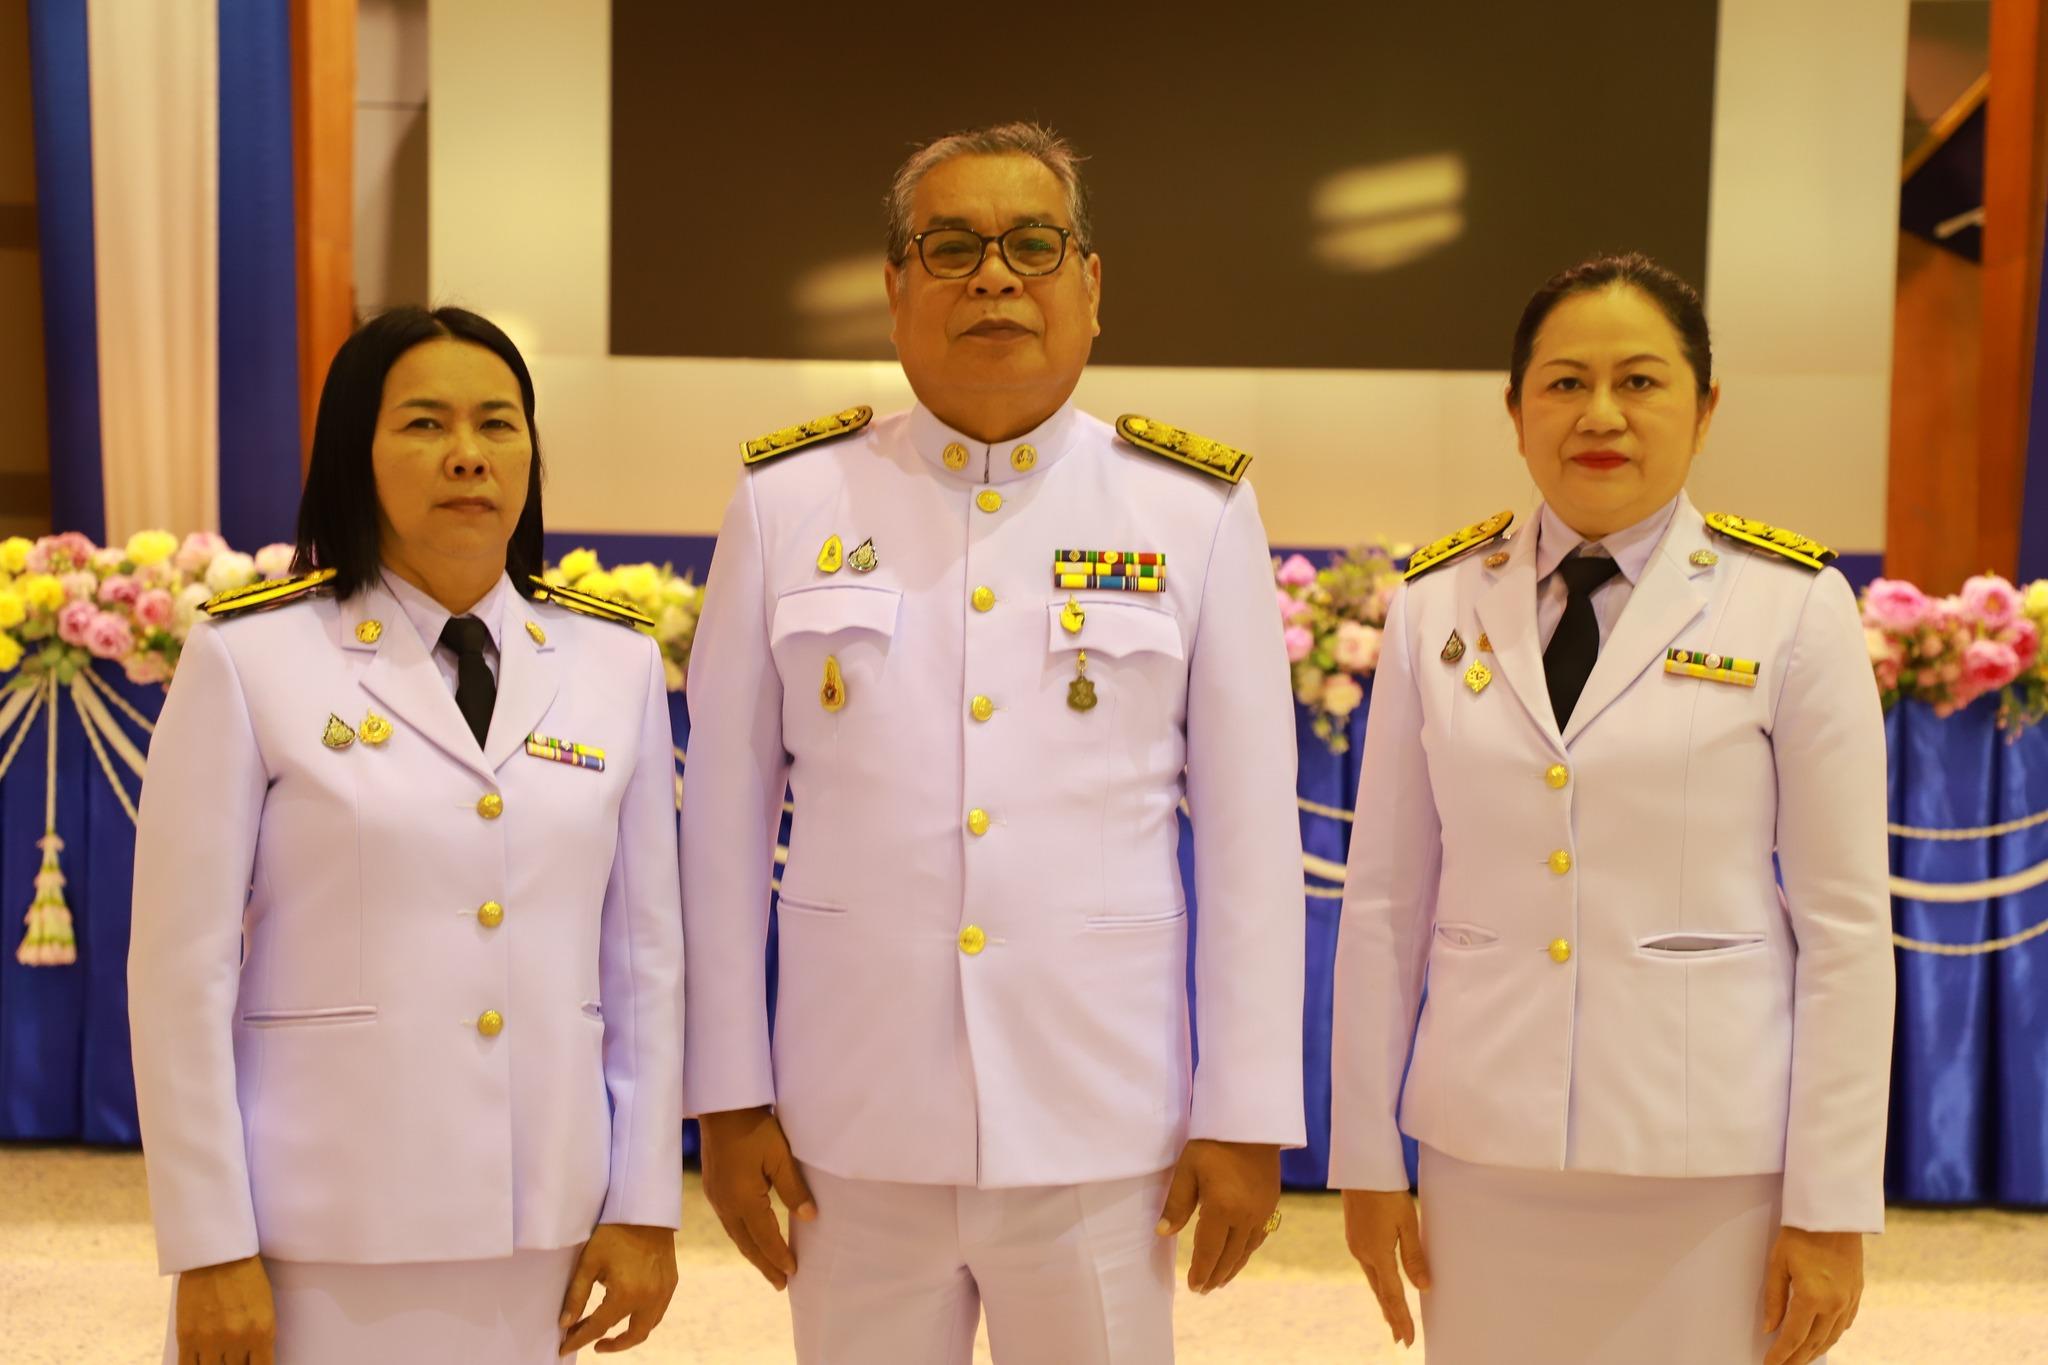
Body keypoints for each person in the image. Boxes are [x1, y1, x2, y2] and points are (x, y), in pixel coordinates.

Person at [681, 121, 1306, 1363]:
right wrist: (728, 1094)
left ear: (1090, 286)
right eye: (951, 247)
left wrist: (1243, 1110)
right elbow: (720, 826)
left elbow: (1250, 837)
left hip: (1097, 1116)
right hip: (850, 1120)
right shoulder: (787, 502)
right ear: (894, 289)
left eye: (1032, 244)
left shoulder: (1190, 509)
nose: (993, 278)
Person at [1329, 253, 1894, 1365]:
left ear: (1705, 408)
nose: (1600, 414)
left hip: (1709, 1157)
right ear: (1514, 410)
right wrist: (1366, 1159)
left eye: (1639, 381)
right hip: (1481, 1149)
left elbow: (1844, 928)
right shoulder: (1435, 604)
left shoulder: (1790, 605)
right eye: (1563, 383)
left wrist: (1830, 1203)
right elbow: (1384, 903)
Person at [128, 306, 684, 1365]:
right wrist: (209, 1241)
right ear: (357, 451)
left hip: (542, 1223)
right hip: (320, 1223)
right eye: (425, 424)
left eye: (498, 423)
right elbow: (179, 972)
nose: (468, 455)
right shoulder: (254, 658)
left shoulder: (612, 666)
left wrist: (645, 1203)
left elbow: (644, 962)